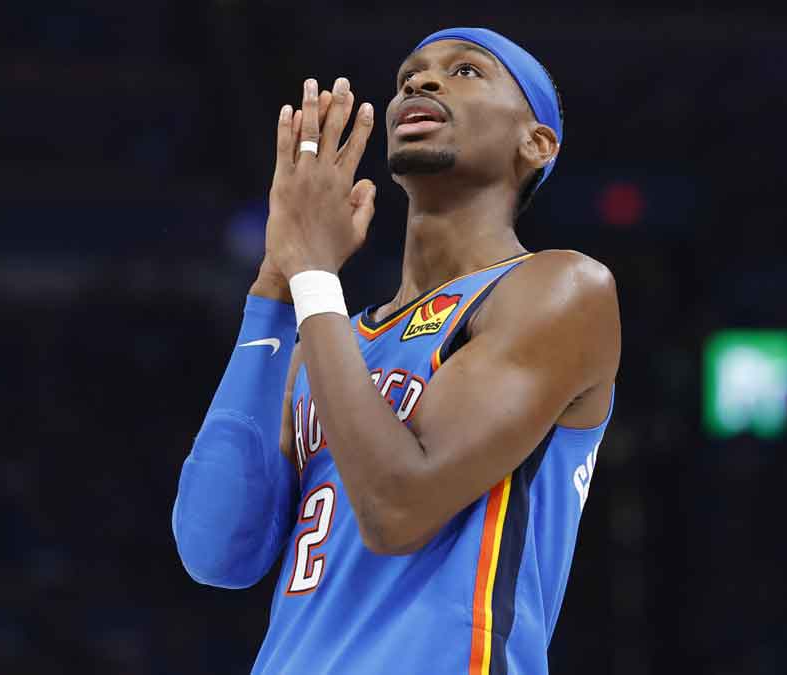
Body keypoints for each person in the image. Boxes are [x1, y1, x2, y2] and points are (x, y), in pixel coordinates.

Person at [173, 27, 621, 675]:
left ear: (536, 143)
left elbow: (397, 509)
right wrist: (277, 283)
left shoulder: (561, 289)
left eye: (466, 71)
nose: (422, 81)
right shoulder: (328, 340)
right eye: (409, 75)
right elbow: (216, 552)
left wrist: (313, 274)